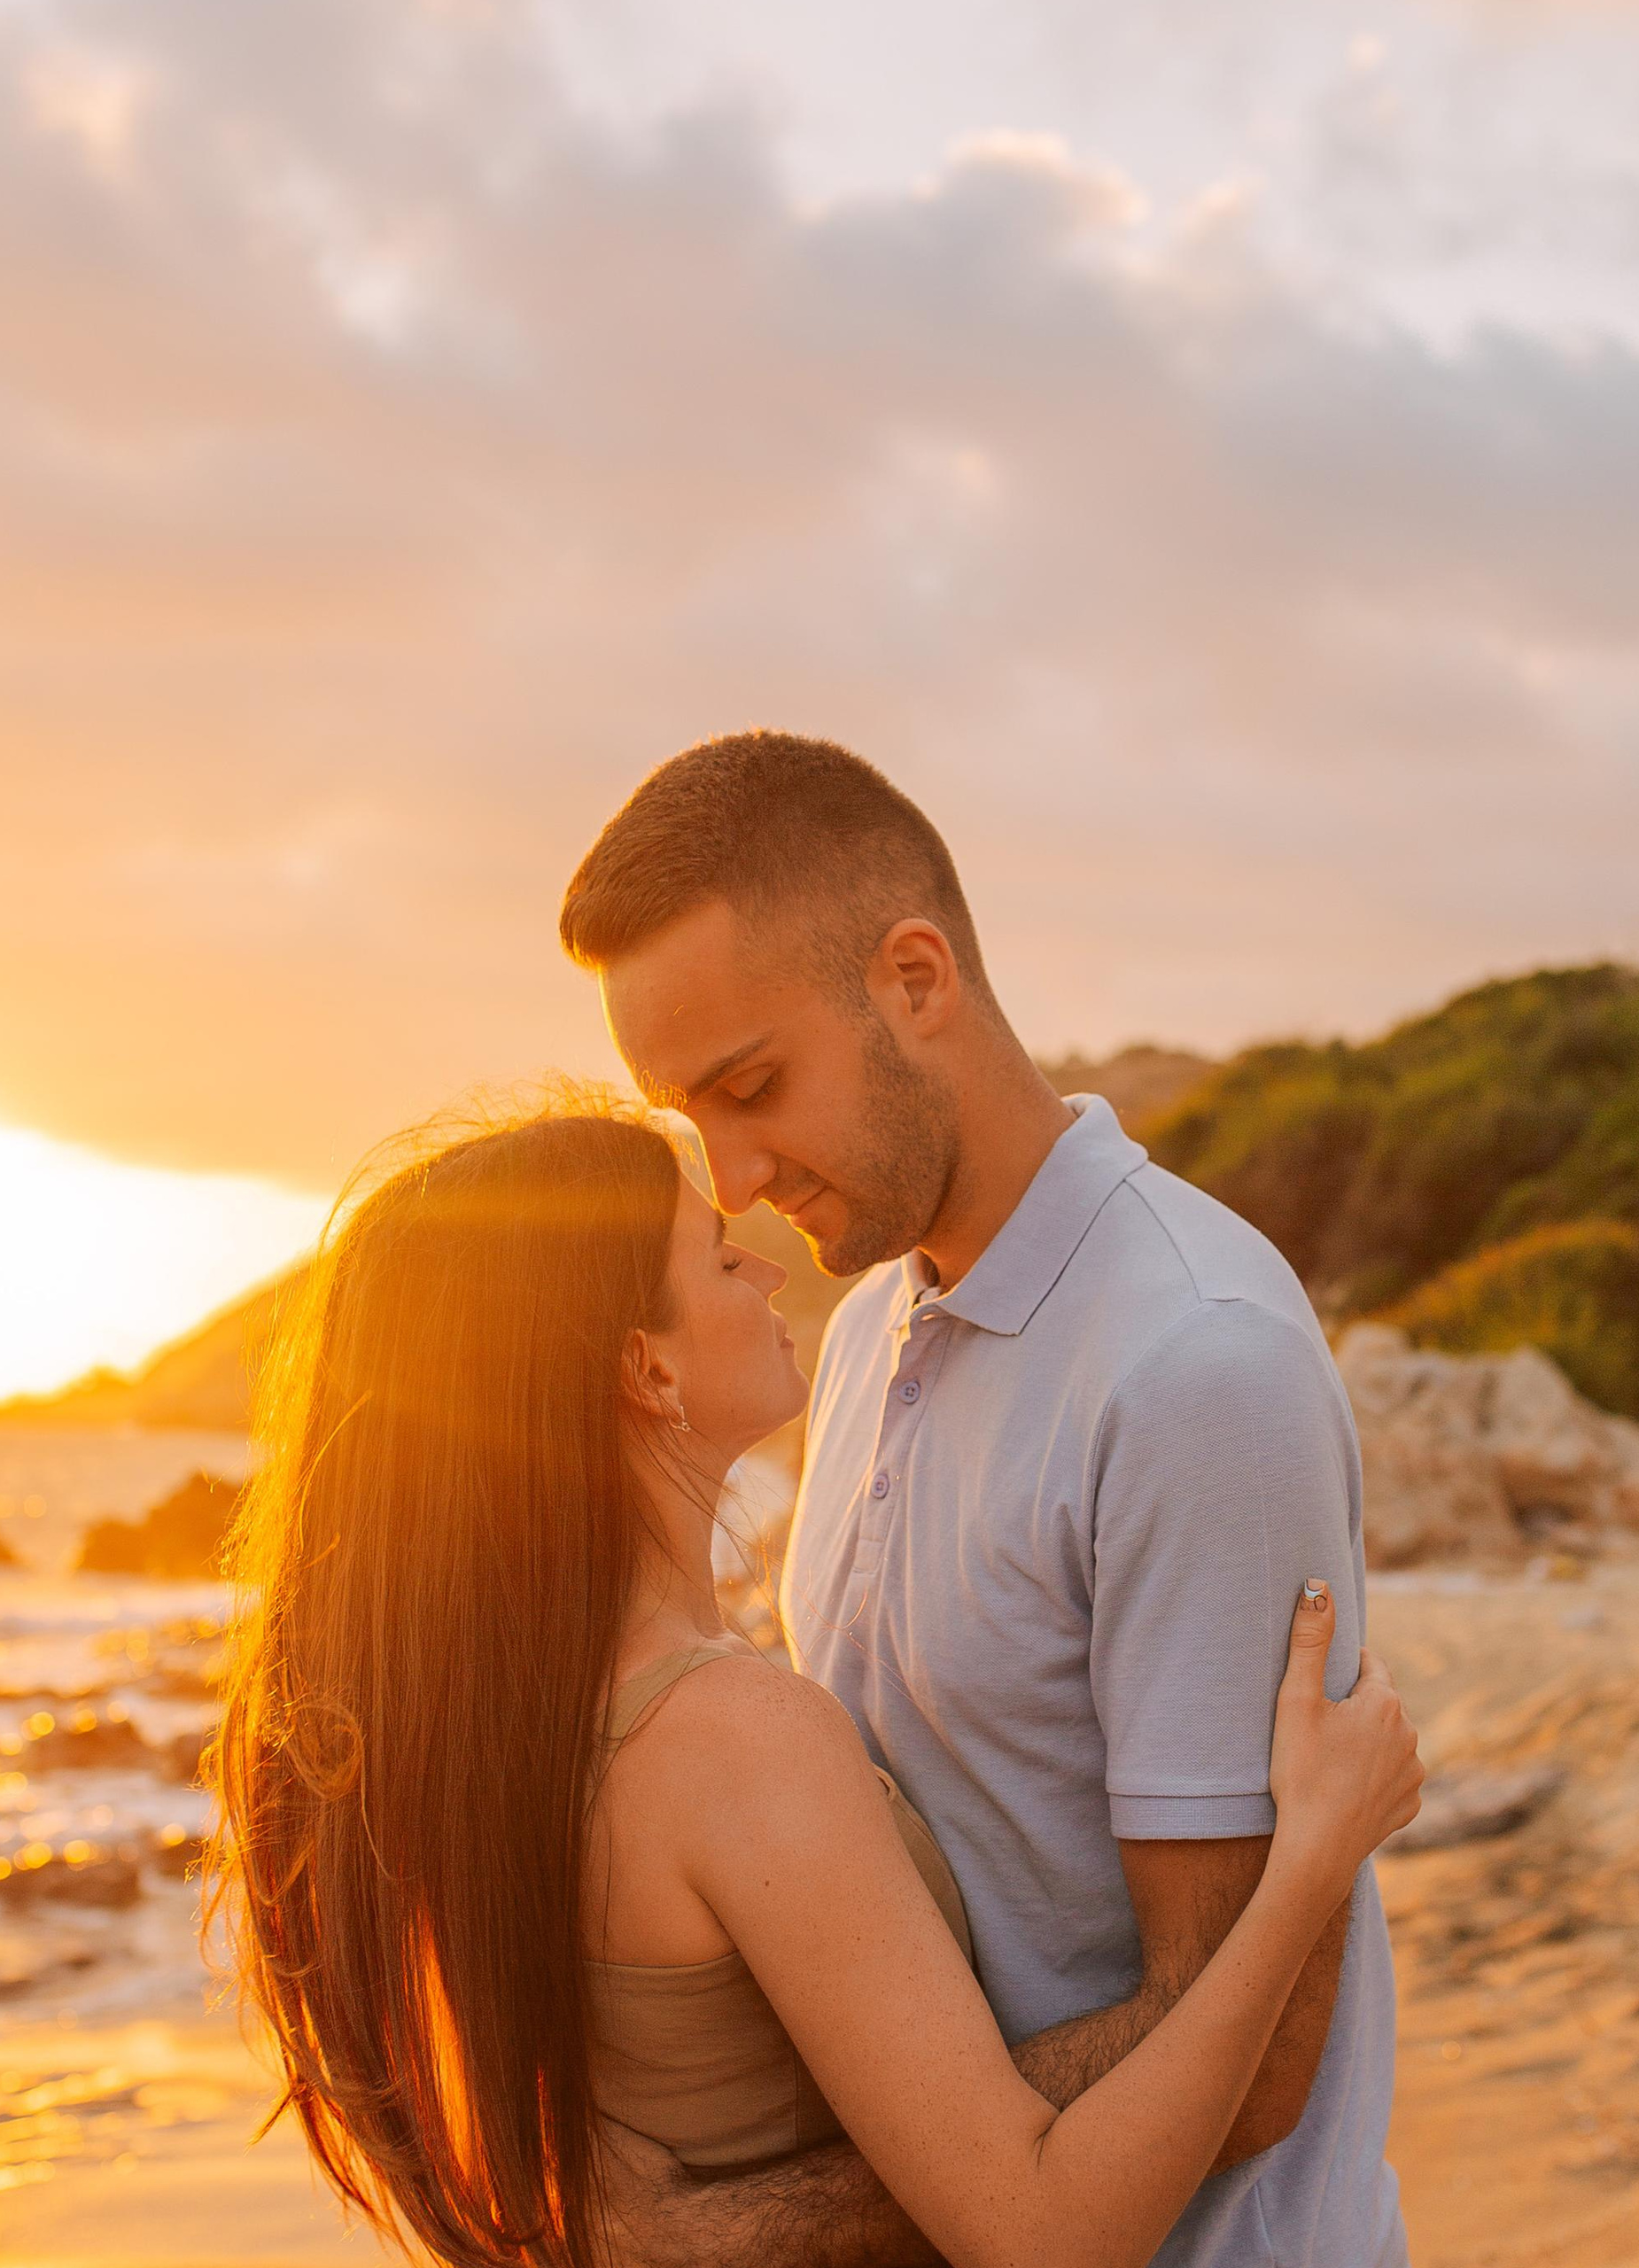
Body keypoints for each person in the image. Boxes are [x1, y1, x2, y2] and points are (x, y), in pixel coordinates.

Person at [211, 1098, 1422, 2268]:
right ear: (647, 1370)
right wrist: (1313, 1860)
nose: (771, 1273)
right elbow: (1046, 2233)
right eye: (719, 1260)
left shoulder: (512, 1721)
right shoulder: (730, 1737)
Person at [560, 733, 1412, 2267]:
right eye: (701, 1119)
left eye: (756, 1087)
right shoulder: (872, 1325)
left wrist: (729, 2234)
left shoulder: (1190, 1368)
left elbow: (1254, 2056)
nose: (737, 1178)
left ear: (914, 979)